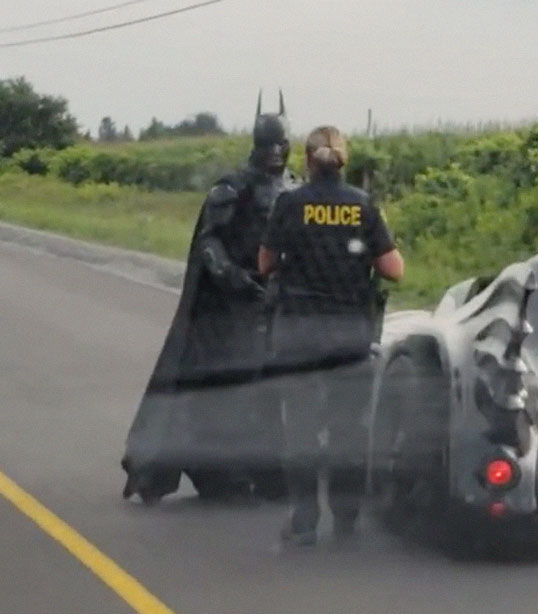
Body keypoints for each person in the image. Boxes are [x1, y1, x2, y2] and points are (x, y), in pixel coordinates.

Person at [121, 91, 298, 503]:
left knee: (268, 392)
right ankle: (218, 470)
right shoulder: (231, 188)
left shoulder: (293, 189)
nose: (274, 154)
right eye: (267, 146)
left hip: (272, 304)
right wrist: (232, 277)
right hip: (228, 307)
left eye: (280, 146)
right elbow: (210, 243)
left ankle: (267, 472)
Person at [259, 125, 404, 544]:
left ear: (306, 161)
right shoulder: (362, 206)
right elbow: (394, 269)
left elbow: (265, 263)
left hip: (299, 333)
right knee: (347, 430)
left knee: (301, 429)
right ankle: (346, 518)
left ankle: (304, 522)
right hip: (349, 336)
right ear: (344, 160)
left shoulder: (290, 203)